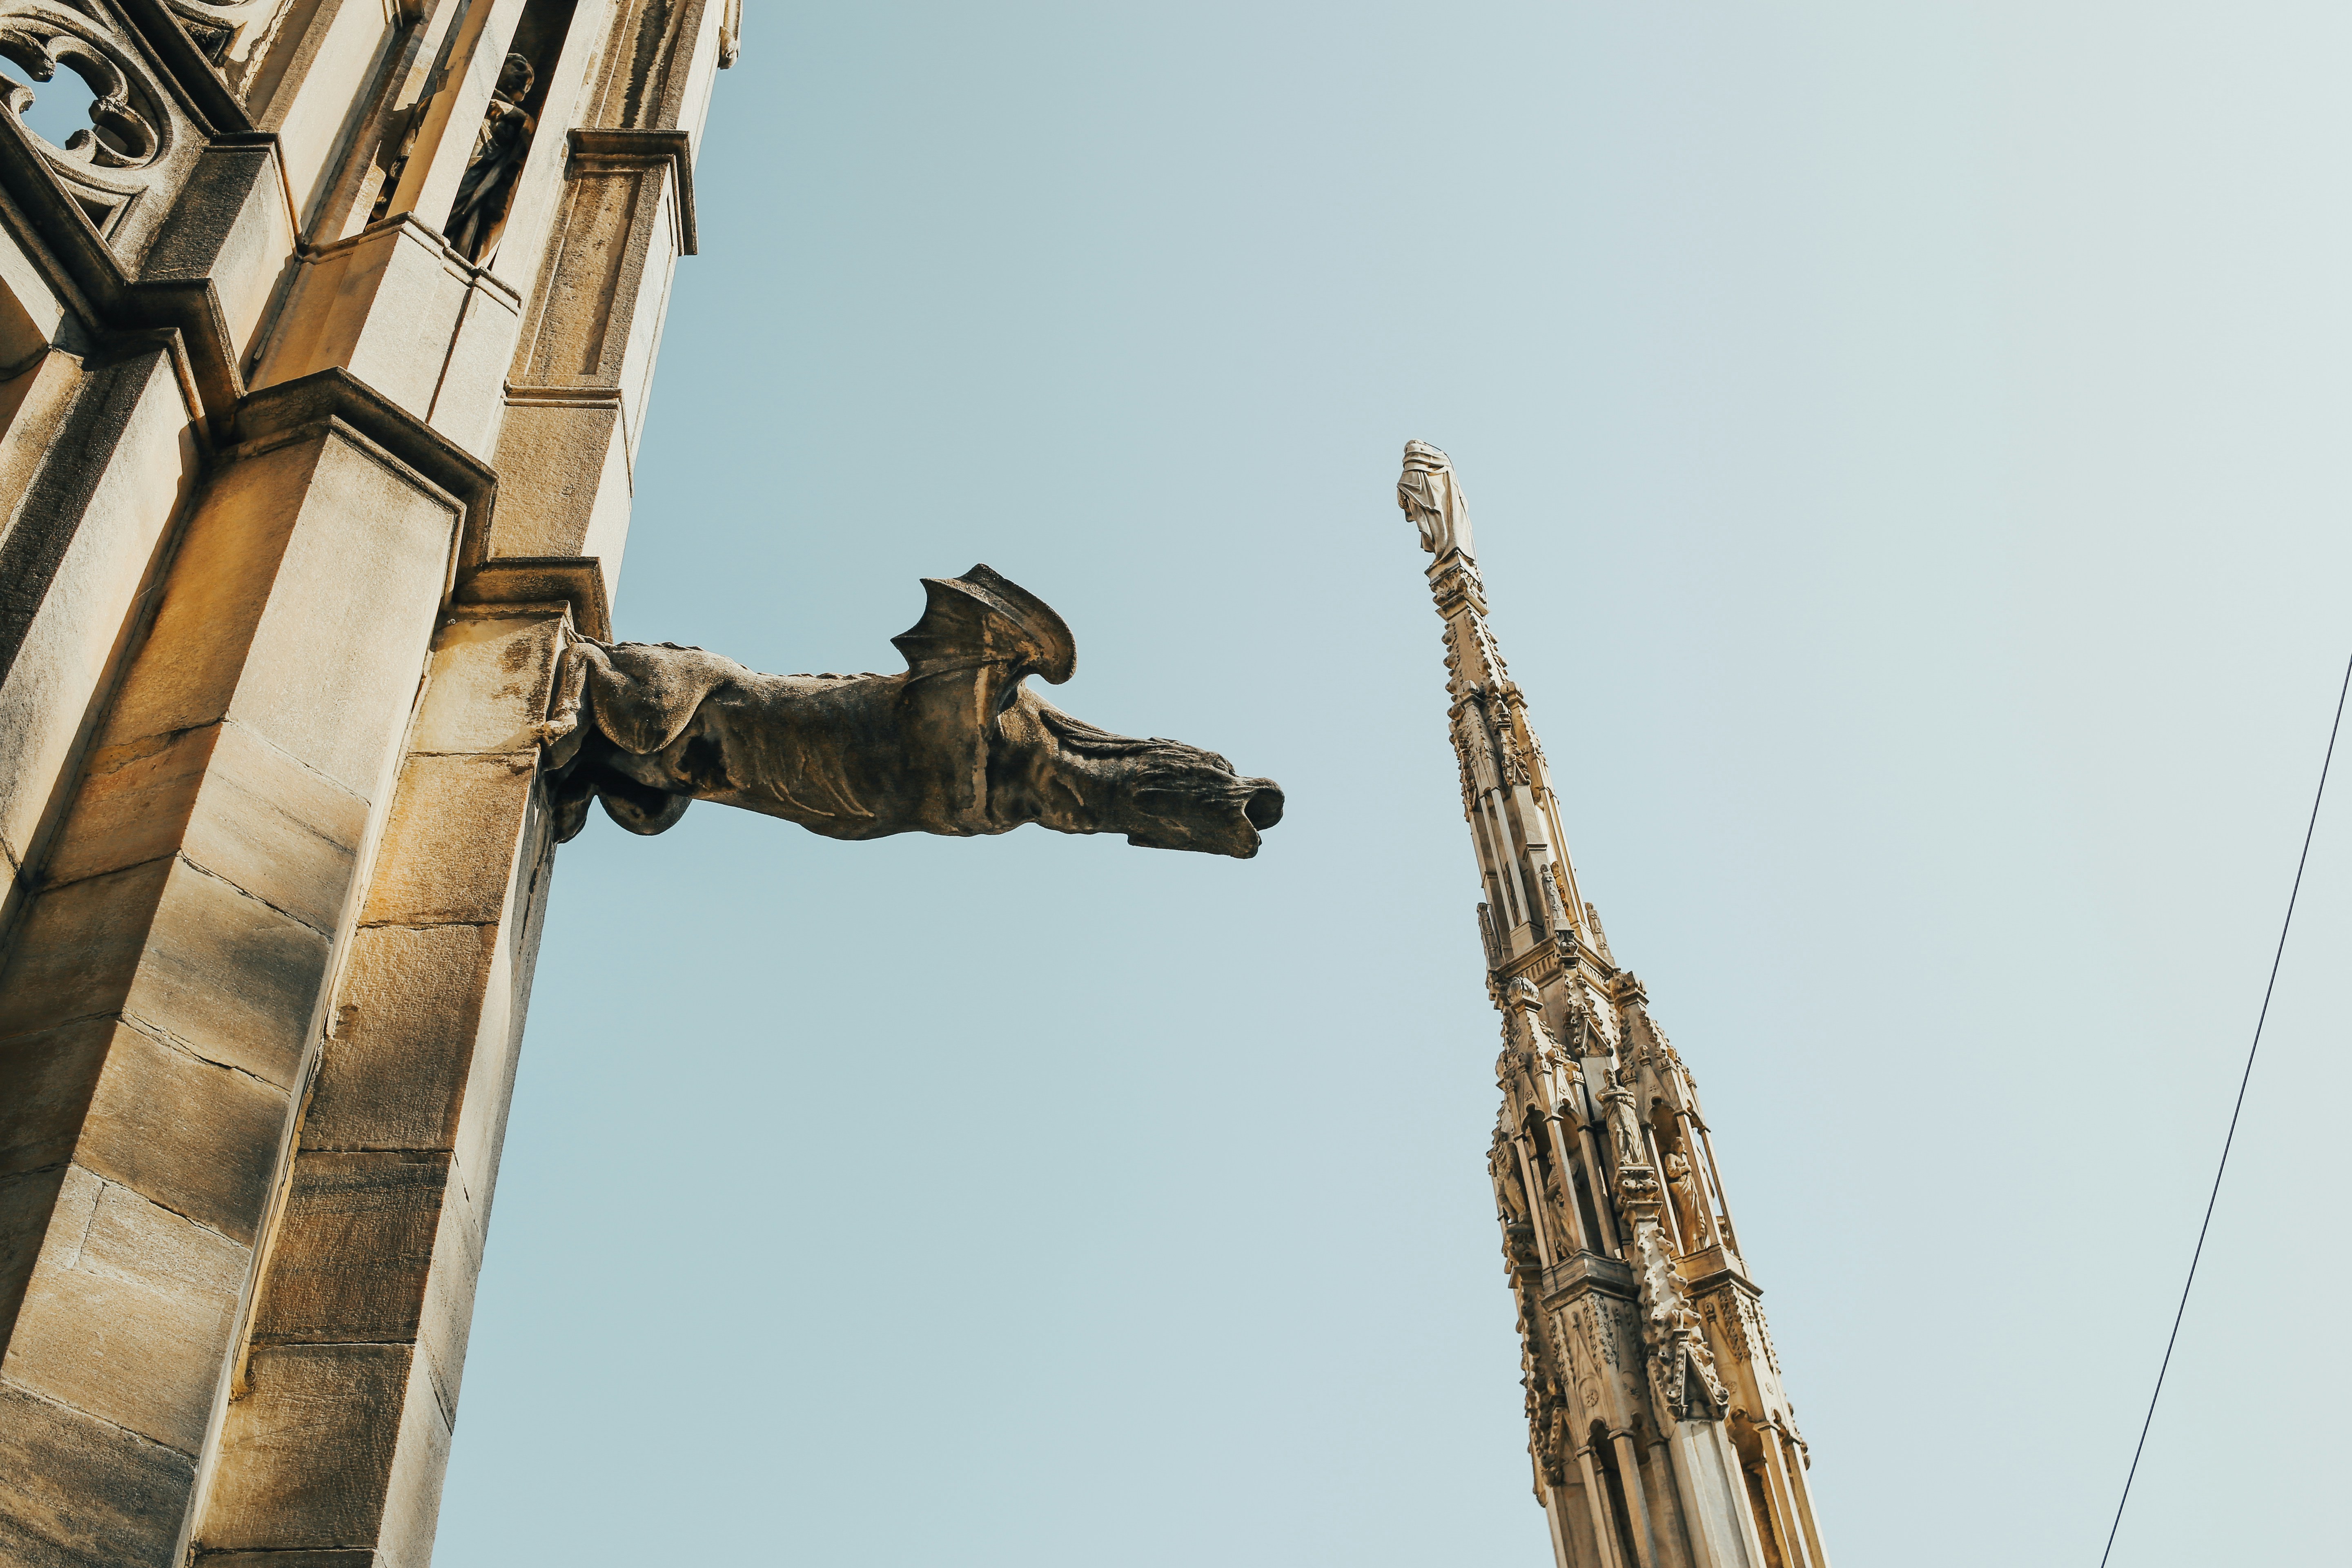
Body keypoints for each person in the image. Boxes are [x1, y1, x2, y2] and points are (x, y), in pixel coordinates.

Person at [448, 53, 535, 261]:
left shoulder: (519, 121)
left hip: (484, 178)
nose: (526, 78)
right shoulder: (471, 91)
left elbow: (533, 148)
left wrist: (517, 115)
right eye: (519, 68)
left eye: (530, 82)